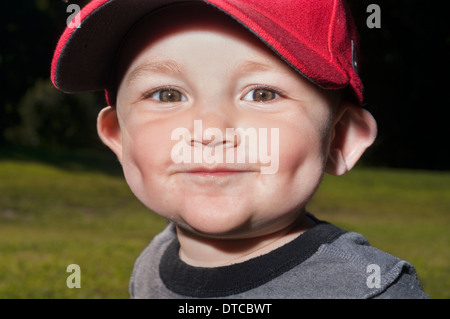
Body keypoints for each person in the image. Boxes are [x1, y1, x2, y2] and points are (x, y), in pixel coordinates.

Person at [51, 0, 428, 298]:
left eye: (262, 94)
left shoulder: (372, 289)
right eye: (167, 94)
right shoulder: (152, 265)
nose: (211, 130)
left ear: (340, 138)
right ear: (119, 136)